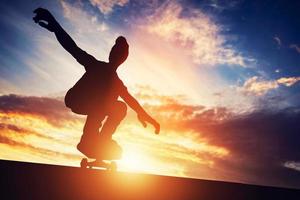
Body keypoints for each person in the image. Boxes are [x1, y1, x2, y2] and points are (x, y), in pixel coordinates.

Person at [33, 8, 160, 159]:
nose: (114, 53)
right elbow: (72, 48)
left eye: (118, 52)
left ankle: (102, 141)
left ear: (122, 59)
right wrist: (55, 26)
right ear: (111, 52)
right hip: (75, 98)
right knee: (107, 101)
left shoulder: (116, 82)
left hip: (92, 103)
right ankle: (89, 140)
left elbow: (130, 100)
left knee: (119, 106)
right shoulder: (95, 65)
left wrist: (144, 114)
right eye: (114, 49)